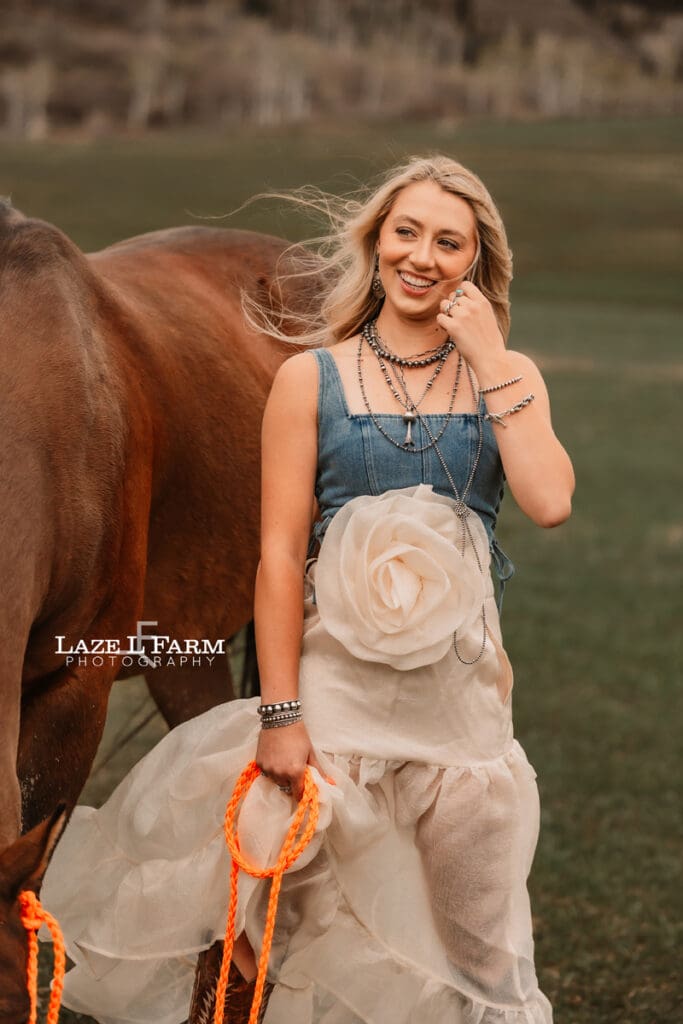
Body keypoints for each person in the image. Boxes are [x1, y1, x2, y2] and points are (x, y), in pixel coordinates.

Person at [42, 155, 574, 1024]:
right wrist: (281, 715)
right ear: (376, 242)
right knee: (282, 928)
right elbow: (280, 555)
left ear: (475, 263)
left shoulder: (504, 376)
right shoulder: (309, 378)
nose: (421, 257)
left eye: (448, 243)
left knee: (479, 950)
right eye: (405, 232)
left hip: (459, 713)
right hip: (334, 708)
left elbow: (549, 501)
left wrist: (487, 355)